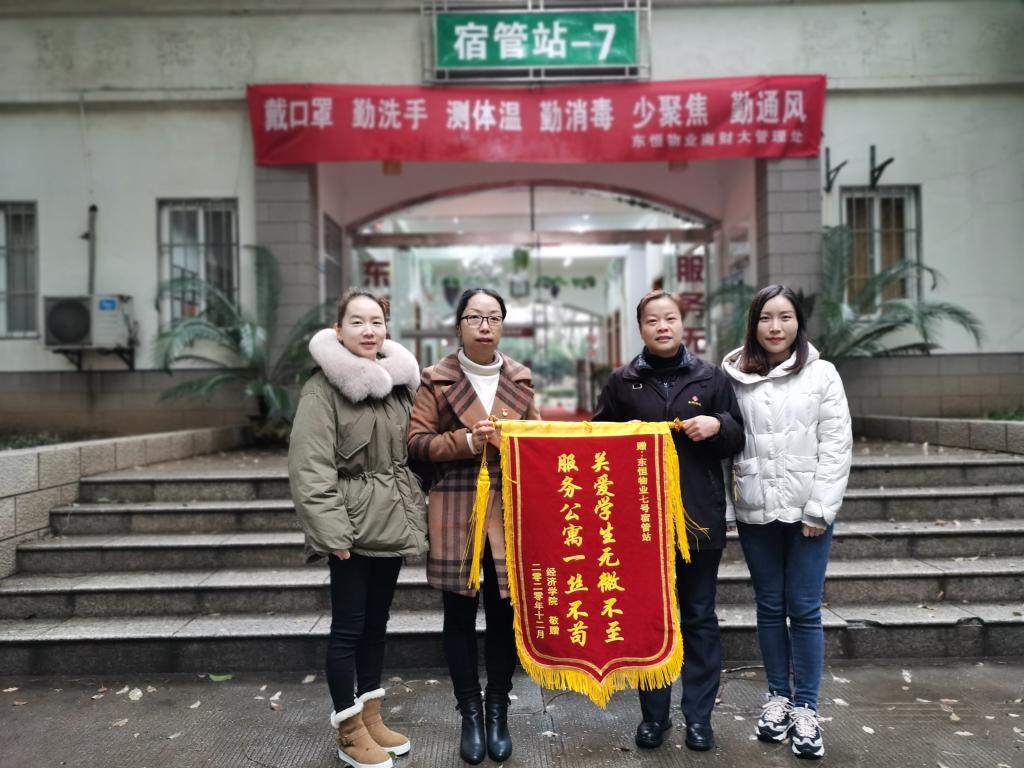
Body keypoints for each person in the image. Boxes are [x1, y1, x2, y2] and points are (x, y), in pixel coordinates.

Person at [593, 289, 744, 753]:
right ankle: (654, 718)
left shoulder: (710, 377)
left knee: (698, 617)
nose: (662, 326)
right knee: (651, 620)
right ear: (640, 328)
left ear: (683, 324)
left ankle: (699, 718)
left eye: (670, 318)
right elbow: (596, 444)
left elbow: (737, 435)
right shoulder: (623, 382)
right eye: (653, 320)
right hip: (641, 526)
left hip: (698, 519)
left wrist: (717, 425)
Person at [289, 289, 428, 768]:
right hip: (350, 529)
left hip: (392, 522)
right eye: (357, 322)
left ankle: (371, 716)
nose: (368, 331)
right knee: (348, 627)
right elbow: (310, 467)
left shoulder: (399, 385)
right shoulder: (322, 389)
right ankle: (348, 730)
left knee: (376, 625)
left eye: (377, 322)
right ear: (338, 329)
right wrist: (332, 534)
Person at [407, 288, 539, 765]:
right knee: (459, 614)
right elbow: (416, 444)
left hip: (508, 509)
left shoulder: (520, 377)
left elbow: (539, 442)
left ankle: (498, 708)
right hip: (455, 507)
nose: (485, 325)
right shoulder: (435, 378)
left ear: (503, 325)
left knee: (505, 613)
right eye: (475, 317)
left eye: (493, 317)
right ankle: (470, 712)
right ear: (459, 325)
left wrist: (518, 441)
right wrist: (466, 441)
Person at [722, 284, 852, 760]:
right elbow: (725, 445)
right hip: (756, 510)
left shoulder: (822, 374)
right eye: (766, 318)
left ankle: (807, 708)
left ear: (799, 323)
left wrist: (820, 509)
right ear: (753, 324)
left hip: (806, 514)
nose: (775, 327)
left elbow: (836, 445)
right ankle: (777, 698)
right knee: (770, 607)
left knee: (806, 609)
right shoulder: (732, 376)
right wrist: (729, 508)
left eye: (785, 317)